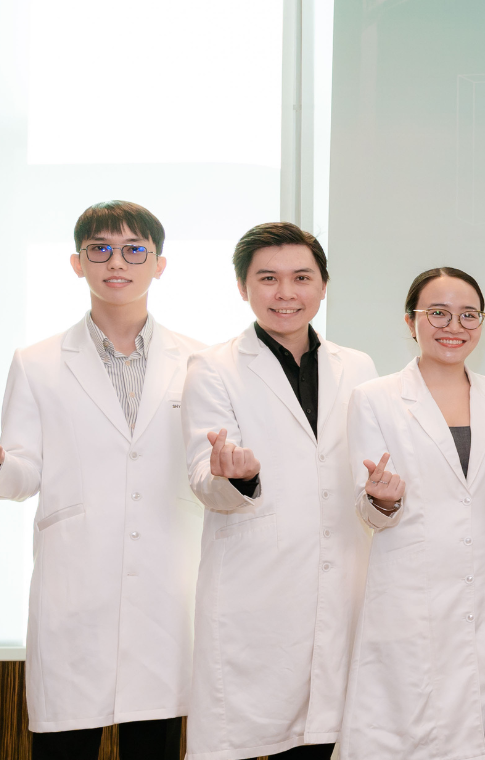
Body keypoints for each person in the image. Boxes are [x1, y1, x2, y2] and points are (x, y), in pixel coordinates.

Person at [0, 201, 205, 760]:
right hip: (76, 585)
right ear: (77, 263)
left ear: (159, 264)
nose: (118, 262)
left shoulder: (200, 361)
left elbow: (206, 471)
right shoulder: (36, 362)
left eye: (135, 249)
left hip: (165, 586)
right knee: (65, 744)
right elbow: (21, 476)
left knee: (155, 742)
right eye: (101, 249)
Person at [181, 222, 379, 760]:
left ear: (323, 286)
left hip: (342, 580)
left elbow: (368, 474)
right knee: (251, 734)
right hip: (257, 588)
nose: (286, 292)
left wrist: (385, 496)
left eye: (301, 277)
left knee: (327, 737)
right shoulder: (212, 367)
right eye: (268, 278)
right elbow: (203, 476)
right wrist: (236, 475)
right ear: (242, 287)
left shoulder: (357, 366)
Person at [338, 268, 485, 759]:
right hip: (411, 594)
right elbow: (371, 511)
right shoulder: (375, 398)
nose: (453, 326)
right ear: (410, 320)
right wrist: (383, 498)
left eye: (468, 315)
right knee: (404, 729)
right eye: (437, 313)